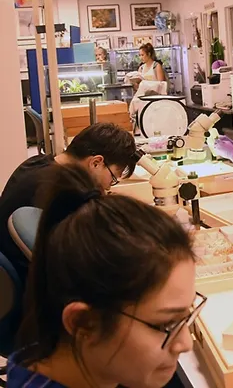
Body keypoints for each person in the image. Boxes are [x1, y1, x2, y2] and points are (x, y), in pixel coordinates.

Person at [9, 163, 201, 388]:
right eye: (166, 324)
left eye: (186, 314)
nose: (186, 343)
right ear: (84, 322)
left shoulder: (40, 356)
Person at [0, 122, 137, 282]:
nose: (108, 186)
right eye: (113, 177)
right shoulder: (65, 190)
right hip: (40, 286)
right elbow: (91, 255)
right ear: (96, 163)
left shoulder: (36, 164)